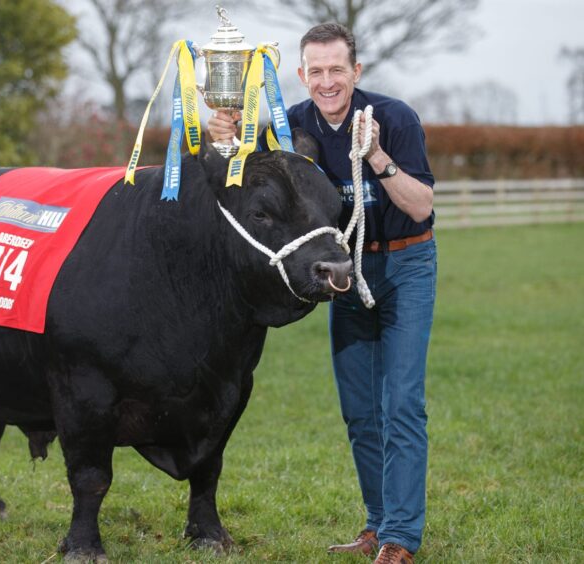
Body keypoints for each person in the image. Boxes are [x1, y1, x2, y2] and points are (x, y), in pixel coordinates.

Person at [208, 22, 437, 564]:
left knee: (401, 404)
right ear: (301, 74)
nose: (327, 81)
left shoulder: (395, 117)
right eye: (316, 71)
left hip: (406, 264)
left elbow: (422, 206)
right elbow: (246, 187)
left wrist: (378, 157)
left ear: (356, 72)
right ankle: (377, 525)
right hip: (344, 275)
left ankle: (400, 539)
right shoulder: (290, 128)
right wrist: (225, 140)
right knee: (360, 411)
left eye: (338, 69)